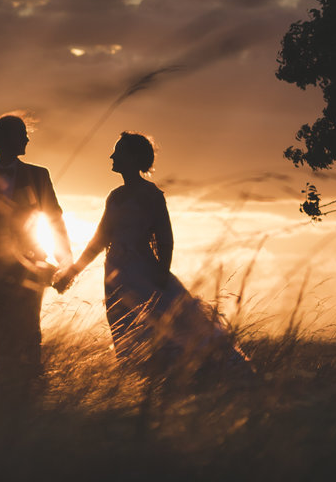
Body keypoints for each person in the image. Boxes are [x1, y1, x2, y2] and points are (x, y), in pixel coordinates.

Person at [54, 132, 255, 388]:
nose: (112, 156)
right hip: (116, 275)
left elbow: (165, 238)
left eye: (119, 151)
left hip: (145, 273)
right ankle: (144, 386)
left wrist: (161, 273)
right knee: (126, 331)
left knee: (162, 329)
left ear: (134, 158)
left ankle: (193, 380)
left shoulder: (151, 195)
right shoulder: (114, 197)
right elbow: (98, 240)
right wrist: (73, 272)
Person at [0, 112, 70, 392]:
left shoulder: (38, 175)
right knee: (2, 345)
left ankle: (32, 394)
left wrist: (65, 261)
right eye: (21, 133)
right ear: (6, 140)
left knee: (29, 337)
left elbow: (55, 219)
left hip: (32, 268)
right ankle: (11, 397)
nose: (26, 139)